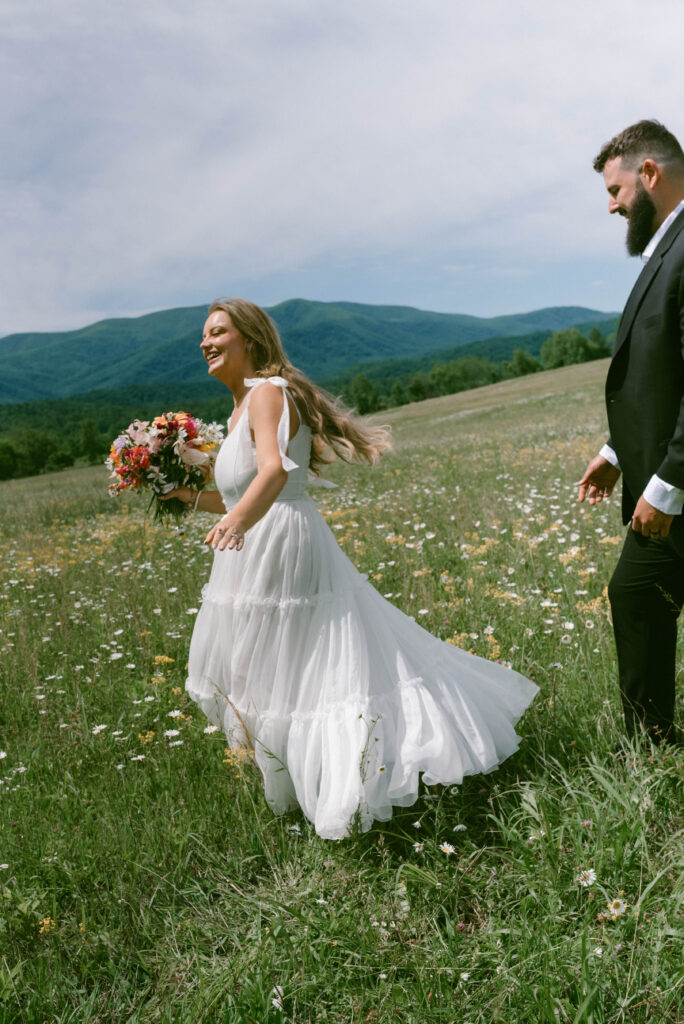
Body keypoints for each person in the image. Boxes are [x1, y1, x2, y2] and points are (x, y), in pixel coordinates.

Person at [166, 297, 538, 838]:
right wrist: (185, 497)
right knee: (272, 670)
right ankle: (300, 786)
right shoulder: (240, 408)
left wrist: (239, 523)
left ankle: (349, 787)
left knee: (301, 665)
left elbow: (273, 473)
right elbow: (240, 494)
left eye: (218, 331)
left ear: (250, 338)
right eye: (204, 334)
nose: (207, 342)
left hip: (280, 541)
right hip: (254, 541)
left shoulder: (269, 392)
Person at [579, 120, 684, 745]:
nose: (613, 205)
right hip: (661, 469)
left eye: (616, 190)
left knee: (636, 591)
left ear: (650, 174)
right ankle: (654, 748)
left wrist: (667, 482)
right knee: (641, 593)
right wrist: (618, 450)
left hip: (676, 482)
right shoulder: (668, 248)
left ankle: (650, 749)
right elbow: (660, 372)